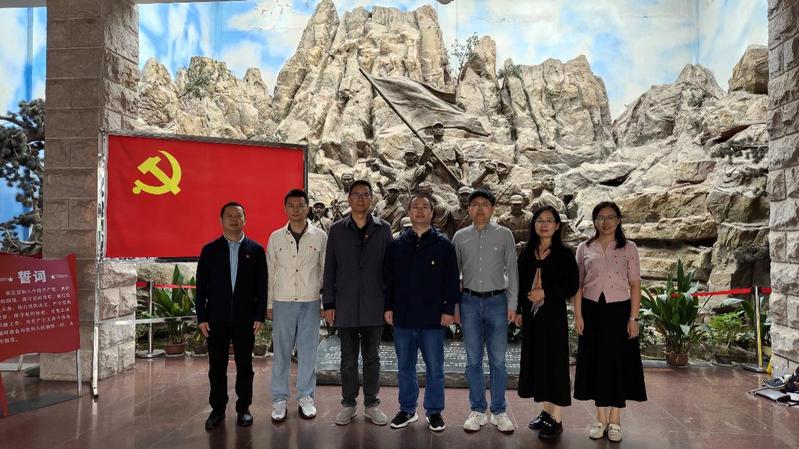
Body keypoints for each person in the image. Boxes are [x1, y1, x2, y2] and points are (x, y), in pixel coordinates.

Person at [384, 193, 460, 432]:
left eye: (424, 207)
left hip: (433, 319)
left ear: (432, 212)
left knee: (435, 368)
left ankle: (434, 411)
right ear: (409, 212)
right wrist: (388, 307)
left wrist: (449, 310)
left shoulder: (443, 244)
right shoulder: (397, 244)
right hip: (404, 317)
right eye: (415, 206)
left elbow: (451, 280)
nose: (419, 210)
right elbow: (389, 279)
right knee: (405, 367)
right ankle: (407, 409)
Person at [573, 201, 647, 442]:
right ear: (594, 221)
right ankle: (600, 418)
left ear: (618, 220)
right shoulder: (584, 248)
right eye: (600, 217)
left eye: (610, 217)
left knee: (617, 363)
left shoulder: (629, 248)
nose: (605, 222)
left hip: (619, 311)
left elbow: (635, 284)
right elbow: (578, 285)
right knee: (594, 361)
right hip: (591, 310)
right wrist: (578, 315)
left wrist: (633, 317)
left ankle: (615, 419)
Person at [323, 180, 393, 426]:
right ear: (349, 199)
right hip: (346, 304)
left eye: (365, 194)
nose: (361, 199)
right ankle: (348, 404)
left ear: (371, 199)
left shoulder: (383, 229)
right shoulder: (337, 230)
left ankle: (372, 404)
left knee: (372, 357)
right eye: (356, 194)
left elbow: (389, 270)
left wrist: (389, 304)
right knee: (348, 358)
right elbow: (330, 268)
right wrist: (329, 303)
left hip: (374, 304)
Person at [196, 202, 267, 430]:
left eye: (238, 215)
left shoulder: (256, 250)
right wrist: (201, 316)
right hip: (216, 318)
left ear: (245, 219)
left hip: (245, 318)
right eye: (229, 216)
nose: (234, 219)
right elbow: (201, 287)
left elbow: (262, 286)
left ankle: (243, 407)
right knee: (216, 366)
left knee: (245, 365)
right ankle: (217, 409)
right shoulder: (209, 250)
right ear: (221, 220)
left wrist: (259, 315)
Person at [452, 189, 518, 433]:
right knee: (473, 360)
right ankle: (478, 410)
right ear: (469, 209)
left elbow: (512, 270)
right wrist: (455, 306)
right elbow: (453, 275)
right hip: (468, 302)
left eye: (485, 204)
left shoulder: (505, 234)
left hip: (497, 302)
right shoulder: (459, 237)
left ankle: (499, 411)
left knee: (498, 360)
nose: (480, 208)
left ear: (492, 209)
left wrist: (513, 304)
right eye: (475, 204)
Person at [515, 205, 579, 439]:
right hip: (532, 318)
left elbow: (572, 285)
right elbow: (520, 283)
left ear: (557, 225)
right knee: (538, 362)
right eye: (540, 220)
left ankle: (557, 418)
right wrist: (520, 310)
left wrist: (546, 292)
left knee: (555, 364)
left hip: (553, 317)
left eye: (549, 220)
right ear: (534, 224)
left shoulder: (564, 254)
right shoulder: (527, 251)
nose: (544, 224)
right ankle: (546, 412)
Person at [266, 189, 327, 422]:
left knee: (308, 352)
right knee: (281, 353)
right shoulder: (276, 237)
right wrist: (269, 303)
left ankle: (306, 396)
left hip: (310, 301)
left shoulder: (320, 236)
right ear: (285, 208)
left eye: (300, 205)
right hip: (282, 301)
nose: (296, 210)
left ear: (307, 207)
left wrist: (324, 302)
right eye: (291, 205)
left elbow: (325, 271)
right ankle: (279, 398)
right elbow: (270, 271)